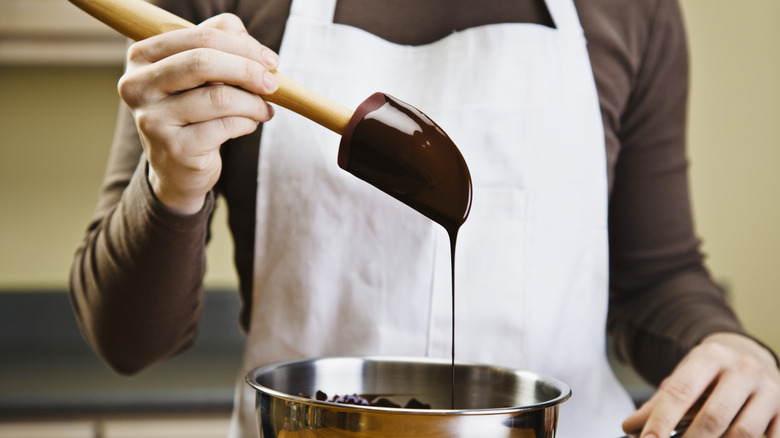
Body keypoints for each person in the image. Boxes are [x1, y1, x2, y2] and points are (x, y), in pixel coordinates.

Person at [69, 0, 780, 437]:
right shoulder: (215, 17)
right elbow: (127, 342)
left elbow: (657, 278)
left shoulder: (630, 9)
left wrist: (730, 348)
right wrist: (173, 183)